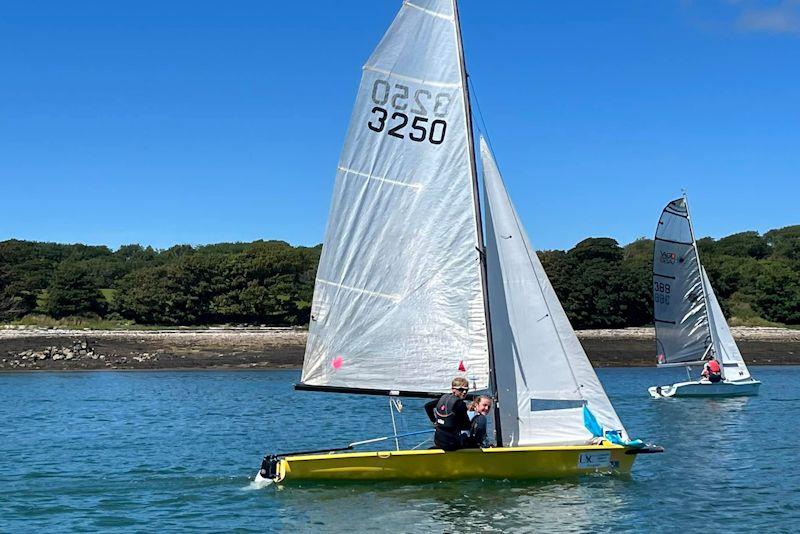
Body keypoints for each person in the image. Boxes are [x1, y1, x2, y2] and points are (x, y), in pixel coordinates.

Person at [424, 377, 472, 451]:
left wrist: (434, 421)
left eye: (466, 390)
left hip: (438, 440)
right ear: (453, 389)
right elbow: (466, 425)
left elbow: (427, 406)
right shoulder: (460, 404)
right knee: (470, 439)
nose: (464, 392)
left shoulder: (443, 398)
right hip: (451, 443)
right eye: (461, 390)